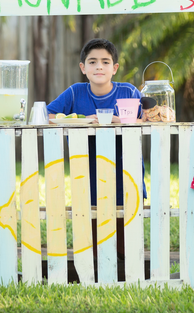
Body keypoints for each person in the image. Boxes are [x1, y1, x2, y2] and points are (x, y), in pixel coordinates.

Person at [47, 38, 146, 259]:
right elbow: (49, 115)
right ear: (83, 68)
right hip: (87, 169)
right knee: (89, 219)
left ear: (115, 68)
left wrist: (118, 120)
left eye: (105, 61)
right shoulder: (74, 93)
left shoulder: (128, 92)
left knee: (125, 219)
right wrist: (82, 119)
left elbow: (147, 120)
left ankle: (124, 268)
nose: (99, 66)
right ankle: (92, 266)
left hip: (124, 169)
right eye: (92, 62)